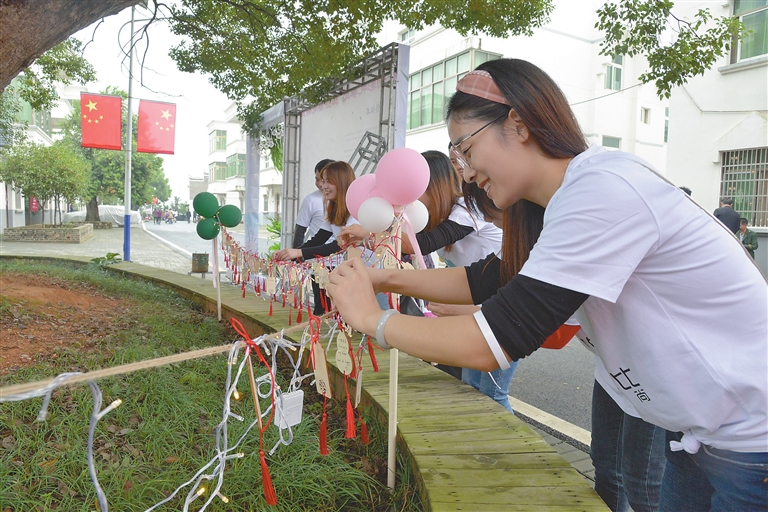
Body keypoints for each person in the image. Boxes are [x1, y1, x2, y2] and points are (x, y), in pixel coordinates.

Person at [326, 59, 767, 511]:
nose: (465, 170)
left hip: (752, 442)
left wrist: (372, 318)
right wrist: (383, 276)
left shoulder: (602, 189)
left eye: (464, 149)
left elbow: (495, 339)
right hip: (701, 434)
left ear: (518, 124)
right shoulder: (558, 204)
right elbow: (487, 279)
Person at [340, 150, 517, 412]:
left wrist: (368, 234)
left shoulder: (468, 211)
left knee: (493, 393)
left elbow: (423, 244)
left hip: (503, 305)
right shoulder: (441, 215)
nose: (404, 200)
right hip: (474, 304)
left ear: (433, 186)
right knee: (471, 386)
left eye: (413, 191)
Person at [274, 161, 366, 314]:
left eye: (328, 181)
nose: (323, 186)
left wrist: (298, 253)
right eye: (322, 181)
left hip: (362, 271)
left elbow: (340, 246)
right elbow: (319, 239)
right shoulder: (334, 207)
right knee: (323, 312)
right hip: (342, 268)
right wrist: (289, 254)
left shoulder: (355, 208)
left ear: (341, 183)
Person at [293, 159, 334, 248]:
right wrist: (296, 255)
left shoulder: (348, 203)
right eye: (317, 179)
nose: (321, 185)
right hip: (319, 257)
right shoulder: (310, 200)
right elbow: (301, 231)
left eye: (325, 180)